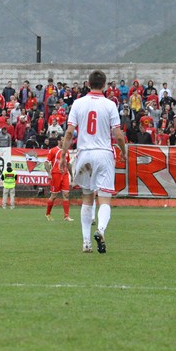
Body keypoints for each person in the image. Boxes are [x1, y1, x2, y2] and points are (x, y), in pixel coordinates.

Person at [61, 70, 126, 253]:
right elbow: (117, 134)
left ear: (88, 84)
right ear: (104, 85)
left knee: (87, 198)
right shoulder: (110, 104)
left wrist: (62, 155)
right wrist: (123, 151)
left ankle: (86, 242)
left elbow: (68, 132)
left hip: (85, 154)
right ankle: (101, 230)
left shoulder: (78, 103)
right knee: (104, 198)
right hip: (104, 153)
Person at [45, 136, 73, 221]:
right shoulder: (53, 150)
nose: (64, 141)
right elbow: (46, 162)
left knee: (66, 194)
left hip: (64, 175)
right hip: (56, 175)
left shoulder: (66, 152)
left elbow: (68, 164)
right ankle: (48, 214)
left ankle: (66, 216)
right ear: (58, 141)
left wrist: (71, 175)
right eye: (62, 140)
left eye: (65, 140)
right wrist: (49, 173)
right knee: (54, 196)